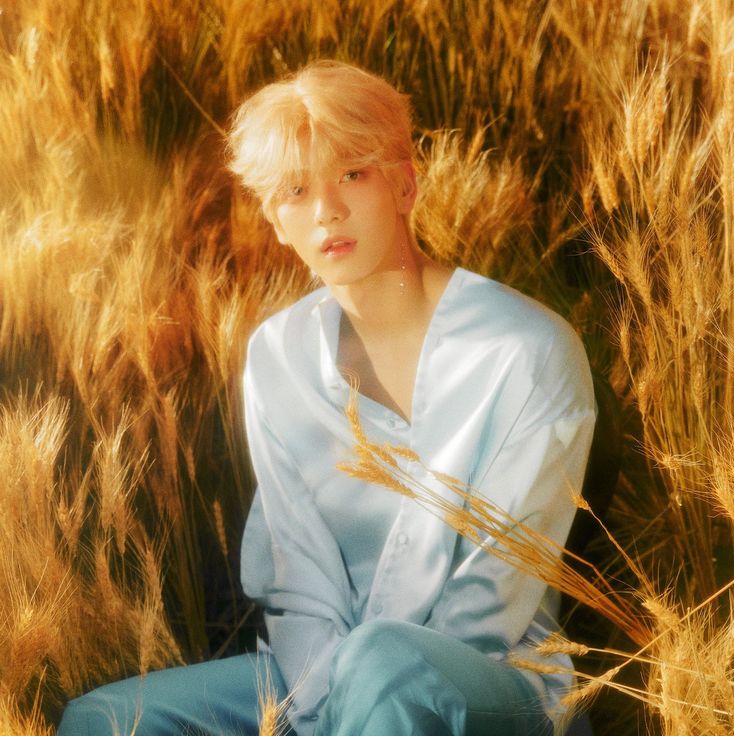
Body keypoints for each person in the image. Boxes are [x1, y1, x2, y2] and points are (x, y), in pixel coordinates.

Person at [58, 60, 596, 736]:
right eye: (295, 189)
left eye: (353, 173)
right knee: (105, 720)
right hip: (318, 673)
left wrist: (361, 693)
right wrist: (323, 708)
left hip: (491, 684)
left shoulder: (527, 350)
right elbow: (300, 574)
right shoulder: (277, 354)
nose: (327, 211)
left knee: (387, 663)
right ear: (274, 220)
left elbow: (493, 603)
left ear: (405, 184)